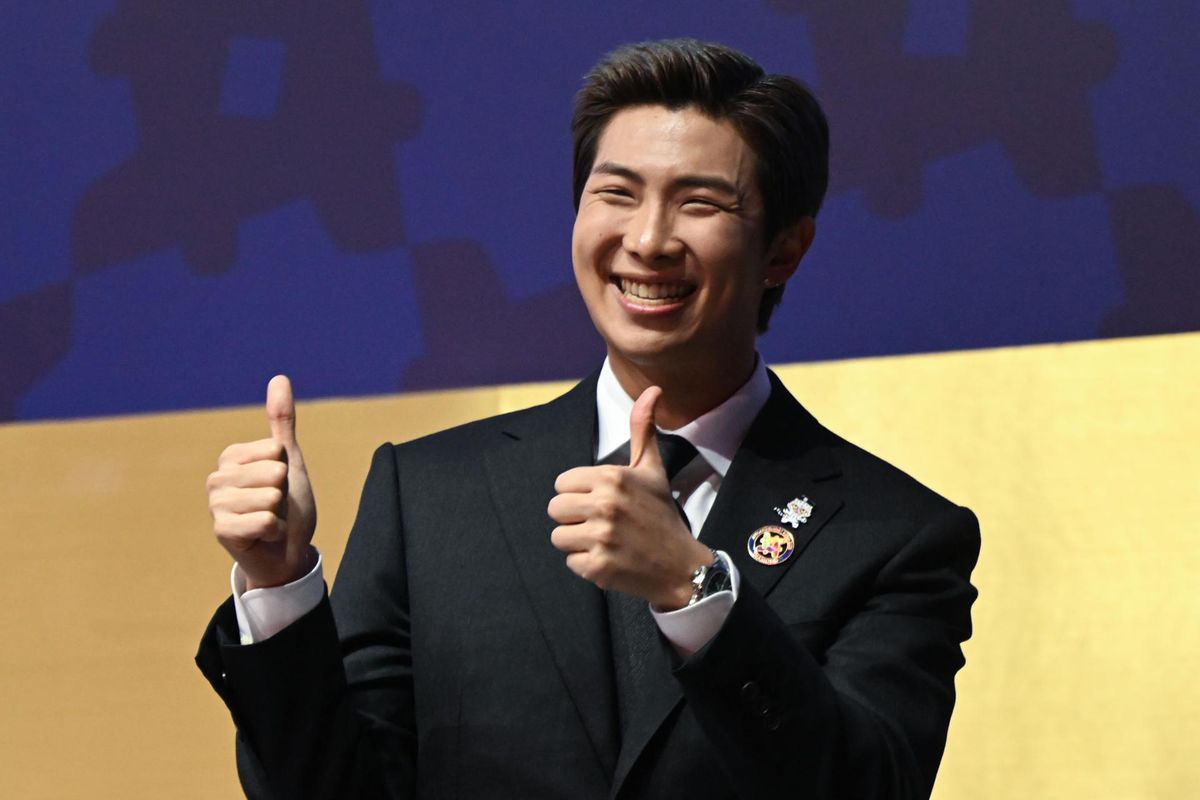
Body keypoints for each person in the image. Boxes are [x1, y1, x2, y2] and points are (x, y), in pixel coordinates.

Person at [198, 39, 980, 799]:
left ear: (783, 249)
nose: (646, 240)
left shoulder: (896, 535)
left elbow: (871, 785)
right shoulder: (429, 494)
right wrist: (281, 587)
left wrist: (694, 589)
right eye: (617, 193)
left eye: (699, 202)